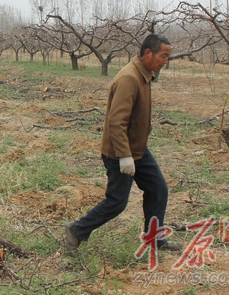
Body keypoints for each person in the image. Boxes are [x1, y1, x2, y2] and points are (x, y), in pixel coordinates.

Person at [65, 33, 182, 255]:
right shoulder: (129, 78)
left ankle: (155, 240)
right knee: (117, 202)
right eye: (164, 56)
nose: (166, 61)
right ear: (148, 53)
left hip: (137, 150)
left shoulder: (144, 74)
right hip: (120, 152)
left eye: (168, 56)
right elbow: (116, 122)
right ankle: (76, 230)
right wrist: (125, 156)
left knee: (158, 189)